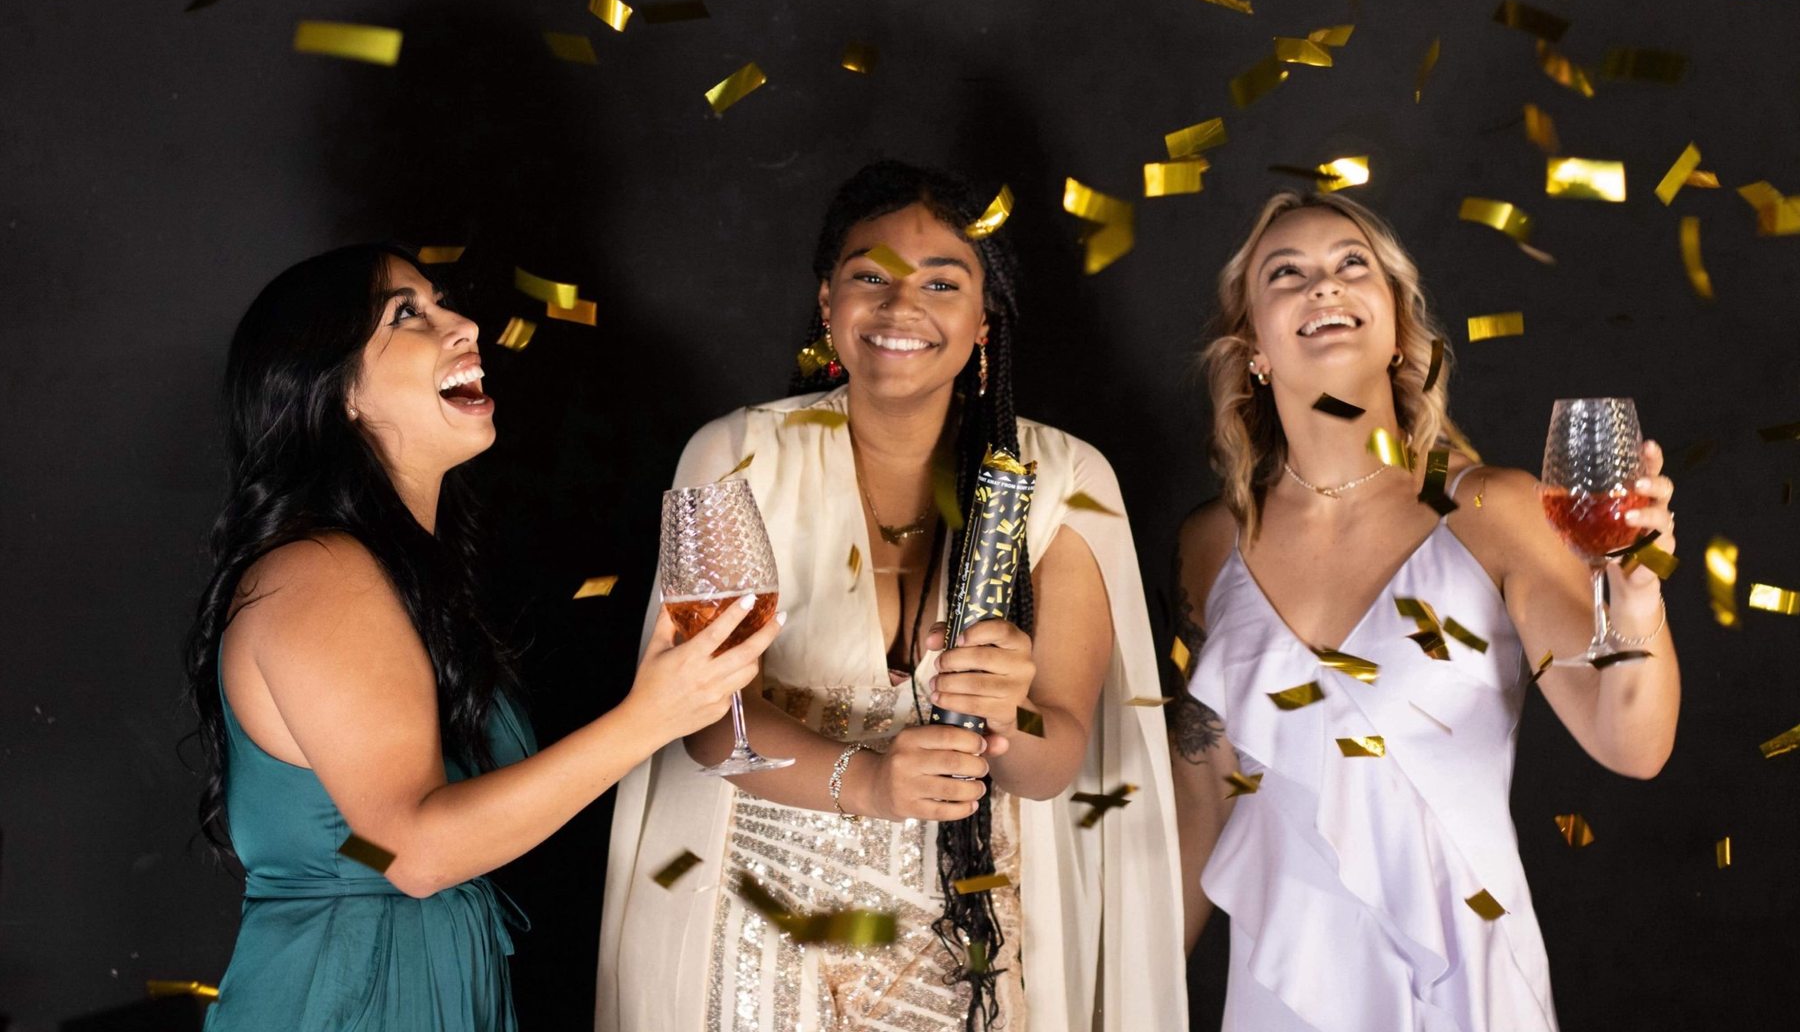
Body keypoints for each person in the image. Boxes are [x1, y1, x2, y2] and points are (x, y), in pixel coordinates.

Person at [599, 162, 1185, 1031]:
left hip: (961, 921)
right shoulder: (731, 455)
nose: (900, 306)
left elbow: (1054, 757)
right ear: (827, 302)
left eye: (942, 283)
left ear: (984, 319)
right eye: (869, 276)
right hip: (752, 906)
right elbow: (706, 721)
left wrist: (1007, 712)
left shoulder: (1062, 480)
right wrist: (869, 783)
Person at [186, 244, 779, 1030]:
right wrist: (651, 717)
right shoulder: (318, 571)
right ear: (339, 393)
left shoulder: (399, 572)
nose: (464, 323)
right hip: (347, 1002)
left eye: (441, 303)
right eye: (408, 315)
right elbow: (415, 853)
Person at [1168, 191, 1681, 1031]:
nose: (1323, 287)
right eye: (1286, 274)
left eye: (1350, 265)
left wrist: (1635, 591)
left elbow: (1632, 746)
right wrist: (1126, 1000)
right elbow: (1201, 810)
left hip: (1467, 986)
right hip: (1281, 995)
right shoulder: (1208, 547)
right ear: (1252, 345)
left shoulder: (1492, 510)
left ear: (1399, 325)